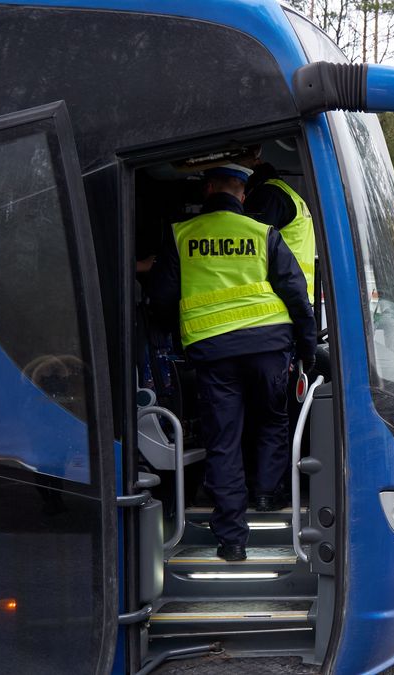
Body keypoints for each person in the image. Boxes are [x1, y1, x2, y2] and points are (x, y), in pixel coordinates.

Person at [151, 162, 316, 562]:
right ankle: (265, 493)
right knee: (272, 421)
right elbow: (297, 295)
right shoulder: (263, 234)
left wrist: (173, 336)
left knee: (222, 439)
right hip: (268, 348)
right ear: (243, 194)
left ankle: (232, 541)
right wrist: (307, 348)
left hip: (213, 354)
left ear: (208, 189)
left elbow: (161, 300)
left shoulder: (181, 235)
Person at [238, 144, 317, 302]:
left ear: (256, 162)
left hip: (280, 297)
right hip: (295, 294)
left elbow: (248, 249)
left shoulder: (268, 195)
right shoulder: (283, 192)